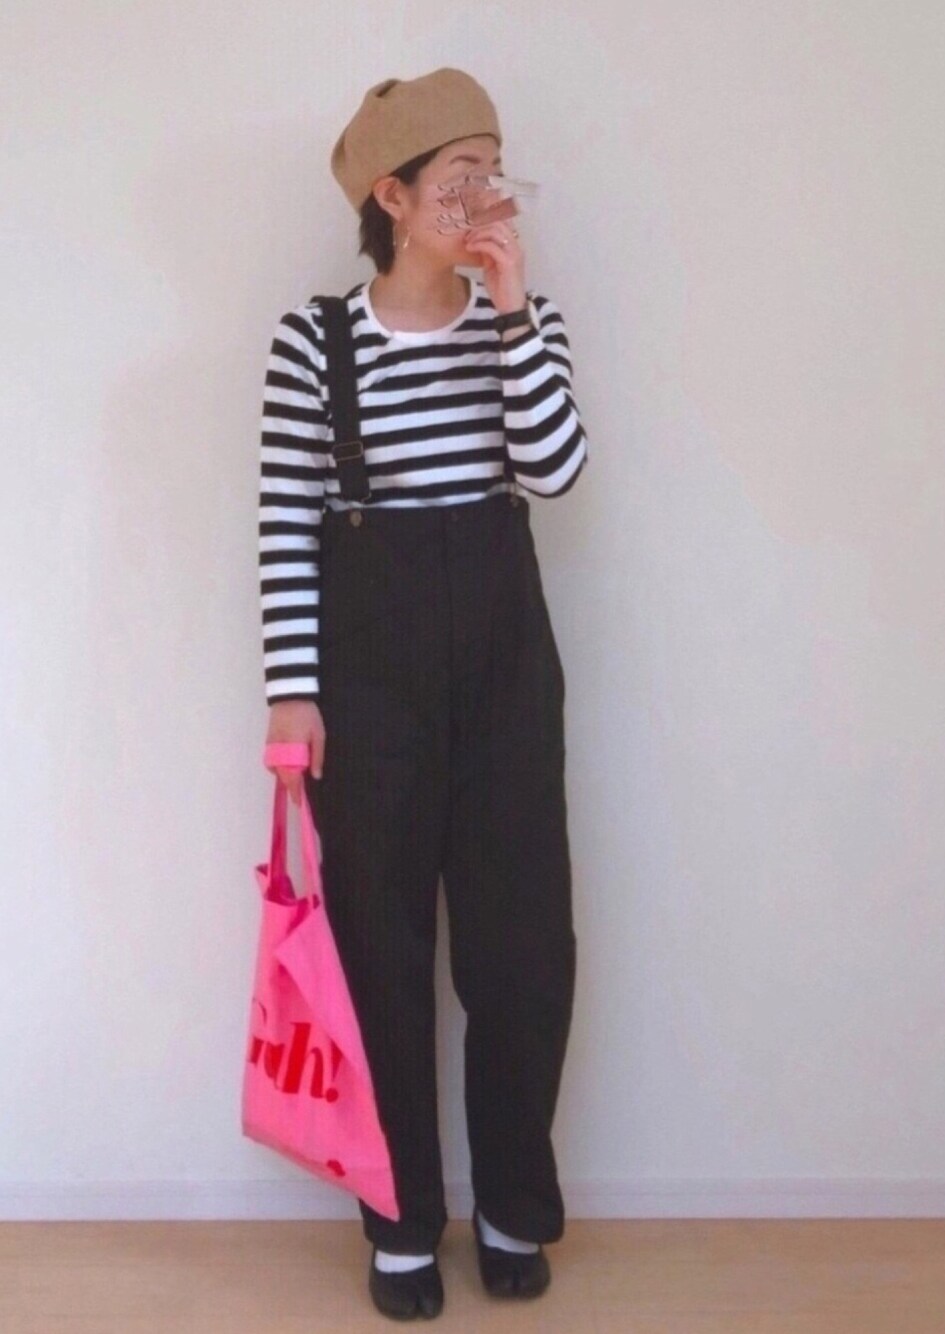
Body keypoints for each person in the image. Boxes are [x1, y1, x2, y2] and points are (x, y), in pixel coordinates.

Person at [257, 67, 589, 1320]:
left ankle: (511, 1205)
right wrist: (293, 695)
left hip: (505, 668)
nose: (484, 199)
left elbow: (553, 471)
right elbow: (288, 523)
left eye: (493, 175)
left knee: (522, 946)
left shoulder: (523, 322)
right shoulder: (315, 342)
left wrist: (511, 310)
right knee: (378, 948)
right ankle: (399, 1219)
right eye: (459, 180)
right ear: (391, 198)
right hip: (368, 678)